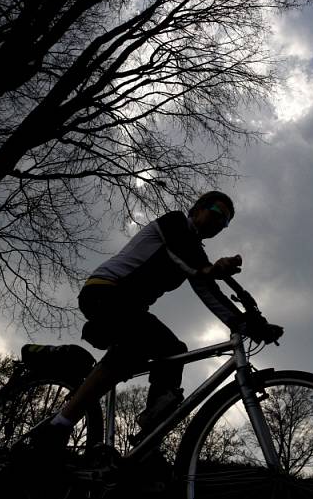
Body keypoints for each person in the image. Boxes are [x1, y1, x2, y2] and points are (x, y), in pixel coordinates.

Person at [35, 191, 273, 449]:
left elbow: (209, 292)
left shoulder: (193, 253)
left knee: (173, 352)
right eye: (216, 214)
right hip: (104, 291)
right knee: (137, 342)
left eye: (225, 222)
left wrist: (247, 324)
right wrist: (210, 270)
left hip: (131, 308)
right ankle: (58, 425)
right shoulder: (174, 224)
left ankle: (148, 442)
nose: (219, 223)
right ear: (196, 208)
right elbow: (190, 260)